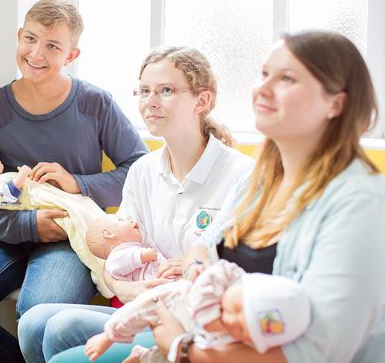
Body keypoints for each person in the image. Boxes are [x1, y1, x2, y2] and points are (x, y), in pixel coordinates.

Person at [51, 30, 385, 363]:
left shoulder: (360, 205)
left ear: (335, 103)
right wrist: (195, 275)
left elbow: (315, 354)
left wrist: (182, 347)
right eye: (265, 74)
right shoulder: (264, 180)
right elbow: (205, 248)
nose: (263, 89)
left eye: (287, 79)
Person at [0, 0, 148, 362]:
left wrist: (79, 183)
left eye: (52, 46)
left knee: (35, 317)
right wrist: (28, 223)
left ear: (72, 56)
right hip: (4, 233)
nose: (36, 54)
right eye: (30, 39)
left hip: (69, 238)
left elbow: (139, 169)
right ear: (18, 36)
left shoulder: (96, 104)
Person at [17, 46, 255, 363]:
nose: (150, 102)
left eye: (166, 90)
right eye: (144, 91)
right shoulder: (144, 170)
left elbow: (243, 273)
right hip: (142, 307)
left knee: (62, 326)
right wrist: (124, 288)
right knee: (33, 322)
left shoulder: (241, 175)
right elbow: (115, 249)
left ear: (202, 101)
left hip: (193, 319)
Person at [0, 149, 115, 297]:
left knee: (85, 211)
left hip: (48, 198)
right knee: (80, 230)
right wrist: (22, 176)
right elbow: (6, 196)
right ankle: (102, 273)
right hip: (42, 207)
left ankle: (112, 251)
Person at [84, 260, 311, 362]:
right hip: (164, 314)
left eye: (243, 329)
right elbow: (143, 308)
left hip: (185, 347)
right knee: (147, 306)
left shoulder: (237, 341)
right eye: (234, 308)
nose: (229, 320)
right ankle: (120, 341)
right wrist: (109, 335)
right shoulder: (197, 294)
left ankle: (142, 357)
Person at [86, 215, 165, 282]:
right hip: (153, 284)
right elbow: (115, 265)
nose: (131, 221)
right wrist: (141, 256)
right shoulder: (113, 259)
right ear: (108, 234)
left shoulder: (132, 249)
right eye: (121, 220)